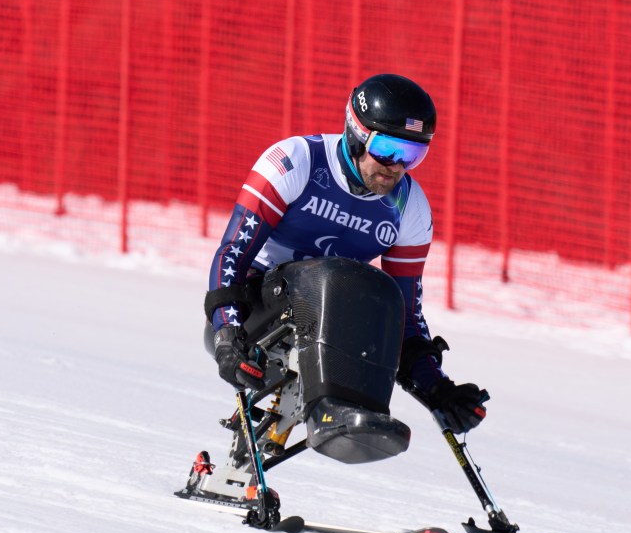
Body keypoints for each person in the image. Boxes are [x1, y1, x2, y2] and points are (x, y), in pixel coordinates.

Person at [187, 74, 487, 499]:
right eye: (388, 148)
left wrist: (437, 388)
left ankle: (353, 416)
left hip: (329, 319)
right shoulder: (295, 162)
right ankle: (331, 408)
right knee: (336, 276)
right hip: (255, 313)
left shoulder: (410, 207)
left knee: (379, 296)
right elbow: (231, 254)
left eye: (413, 154)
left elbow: (405, 316)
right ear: (356, 132)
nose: (396, 166)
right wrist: (226, 336)